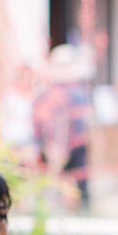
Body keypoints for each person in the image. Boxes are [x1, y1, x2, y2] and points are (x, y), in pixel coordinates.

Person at [35, 44, 93, 210]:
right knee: (59, 188)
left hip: (75, 146)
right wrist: (55, 147)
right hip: (62, 148)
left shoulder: (76, 91)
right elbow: (51, 124)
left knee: (76, 187)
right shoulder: (55, 94)